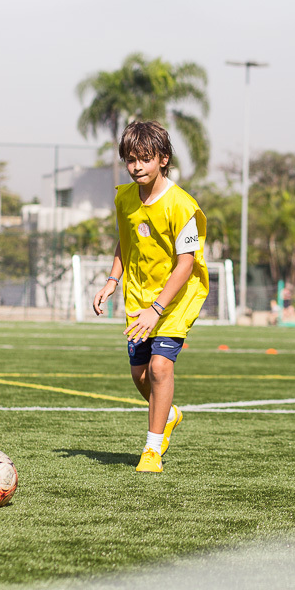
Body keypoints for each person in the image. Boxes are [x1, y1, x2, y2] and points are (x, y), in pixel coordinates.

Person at [92, 121, 208, 474]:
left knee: (160, 368)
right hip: (137, 298)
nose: (137, 166)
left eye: (144, 158)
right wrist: (113, 280)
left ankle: (152, 450)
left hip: (175, 298)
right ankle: (169, 413)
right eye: (130, 159)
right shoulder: (124, 197)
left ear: (163, 159)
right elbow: (125, 241)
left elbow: (186, 264)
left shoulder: (181, 204)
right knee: (140, 375)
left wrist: (157, 309)